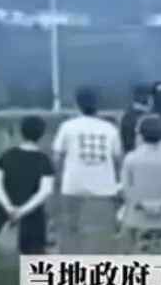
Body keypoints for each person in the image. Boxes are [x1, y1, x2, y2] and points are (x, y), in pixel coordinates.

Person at [52, 86, 123, 253]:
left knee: (71, 232)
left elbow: (57, 157)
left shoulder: (67, 127)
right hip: (103, 189)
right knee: (101, 237)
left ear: (77, 104)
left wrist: (57, 181)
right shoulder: (110, 129)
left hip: (73, 186)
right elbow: (118, 159)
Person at [0, 115, 55, 254]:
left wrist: (9, 207)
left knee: (1, 259)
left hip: (4, 216)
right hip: (33, 220)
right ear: (41, 135)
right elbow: (46, 190)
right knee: (33, 261)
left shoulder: (7, 155)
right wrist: (22, 211)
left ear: (21, 132)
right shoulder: (44, 160)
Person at [120, 114, 161, 247]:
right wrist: (160, 204)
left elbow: (126, 190)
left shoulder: (131, 158)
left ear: (140, 135)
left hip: (138, 218)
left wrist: (145, 204)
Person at [119, 84, 152, 155]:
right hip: (138, 156)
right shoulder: (133, 116)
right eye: (149, 96)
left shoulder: (128, 115)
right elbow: (128, 144)